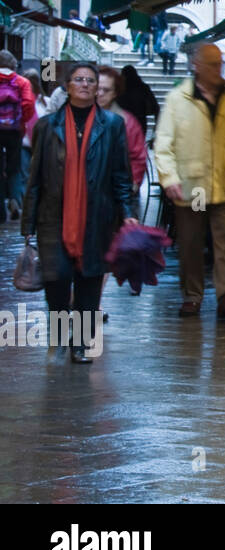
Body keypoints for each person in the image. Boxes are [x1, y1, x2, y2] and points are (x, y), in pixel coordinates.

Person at [21, 62, 137, 363]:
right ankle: (59, 338)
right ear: (68, 86)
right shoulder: (47, 126)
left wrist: (128, 212)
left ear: (96, 87)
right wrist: (28, 223)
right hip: (53, 217)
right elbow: (34, 178)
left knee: (89, 280)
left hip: (97, 216)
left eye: (90, 81)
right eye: (78, 80)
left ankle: (81, 344)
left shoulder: (112, 125)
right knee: (57, 280)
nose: (85, 85)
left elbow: (121, 174)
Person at [154, 43, 225, 319]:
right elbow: (163, 144)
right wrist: (169, 178)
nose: (218, 69)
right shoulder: (178, 99)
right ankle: (192, 296)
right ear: (196, 66)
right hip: (192, 186)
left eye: (220, 64)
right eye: (212, 64)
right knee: (191, 244)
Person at [97, 67, 148, 193]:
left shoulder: (127, 122)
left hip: (112, 192)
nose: (100, 93)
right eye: (97, 88)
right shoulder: (77, 116)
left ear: (115, 93)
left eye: (106, 90)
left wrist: (130, 186)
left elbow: (138, 158)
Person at [0, 50, 36, 220]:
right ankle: (14, 199)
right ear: (13, 64)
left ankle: (0, 209)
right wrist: (21, 122)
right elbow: (29, 104)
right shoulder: (22, 82)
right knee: (14, 168)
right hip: (14, 131)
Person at [20, 68, 51, 215]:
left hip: (42, 146)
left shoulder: (46, 102)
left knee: (40, 176)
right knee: (26, 176)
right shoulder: (18, 100)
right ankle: (26, 206)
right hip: (24, 144)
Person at [118, 65, 159, 138]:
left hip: (123, 123)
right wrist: (154, 131)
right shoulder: (143, 88)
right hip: (140, 123)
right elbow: (156, 108)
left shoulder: (119, 89)